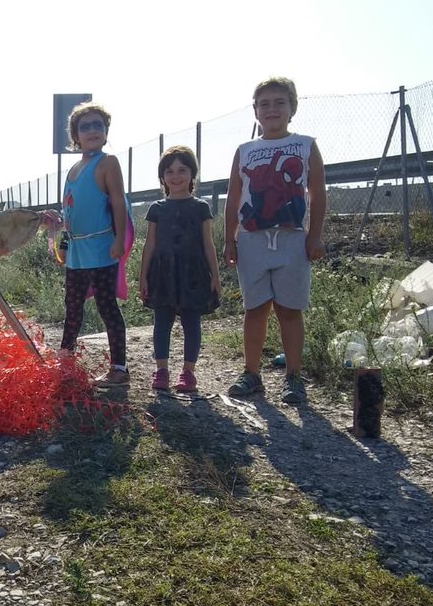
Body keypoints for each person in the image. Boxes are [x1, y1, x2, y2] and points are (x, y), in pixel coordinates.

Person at [223, 77, 326, 404]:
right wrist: (229, 239)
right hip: (252, 241)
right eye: (264, 104)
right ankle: (251, 374)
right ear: (255, 111)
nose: (272, 109)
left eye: (279, 102)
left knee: (289, 310)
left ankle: (293, 378)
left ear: (292, 108)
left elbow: (318, 193)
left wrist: (315, 235)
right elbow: (233, 198)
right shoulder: (245, 151)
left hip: (292, 241)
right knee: (255, 310)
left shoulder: (306, 145)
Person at [57, 102, 131, 384]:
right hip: (77, 251)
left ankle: (119, 368)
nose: (92, 131)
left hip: (101, 249)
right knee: (72, 305)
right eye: (85, 126)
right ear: (75, 135)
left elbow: (117, 202)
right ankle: (65, 359)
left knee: (106, 306)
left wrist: (119, 241)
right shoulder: (73, 168)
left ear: (106, 131)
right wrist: (64, 242)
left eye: (98, 125)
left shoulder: (108, 162)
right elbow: (69, 211)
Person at [139, 146, 220, 393]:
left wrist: (215, 276)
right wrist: (143, 276)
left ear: (192, 174)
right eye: (169, 171)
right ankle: (161, 370)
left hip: (192, 274)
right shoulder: (157, 209)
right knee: (161, 322)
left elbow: (208, 244)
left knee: (191, 323)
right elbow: (150, 244)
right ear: (162, 177)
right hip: (162, 273)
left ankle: (188, 373)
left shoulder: (200, 207)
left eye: (182, 170)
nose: (176, 176)